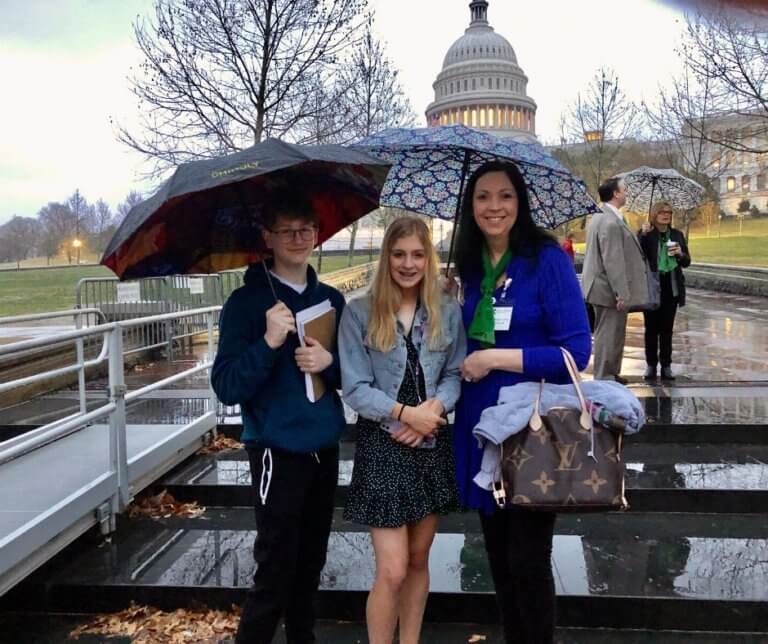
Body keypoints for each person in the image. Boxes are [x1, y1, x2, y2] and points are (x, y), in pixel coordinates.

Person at [451, 161, 591, 644]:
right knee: (498, 557)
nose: (494, 207)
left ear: (520, 201)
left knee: (527, 560)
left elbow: (576, 353)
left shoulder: (545, 259)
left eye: (505, 196)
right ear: (470, 207)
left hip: (531, 429)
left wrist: (495, 358)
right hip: (481, 425)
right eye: (483, 197)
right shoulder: (468, 267)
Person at [211, 192, 346, 644]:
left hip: (324, 448)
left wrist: (329, 362)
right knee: (275, 569)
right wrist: (268, 343)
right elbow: (227, 385)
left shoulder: (331, 300)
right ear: (267, 237)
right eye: (286, 230)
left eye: (305, 228)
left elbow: (354, 377)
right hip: (276, 451)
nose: (297, 238)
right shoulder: (246, 304)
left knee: (311, 566)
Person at [339, 216, 466, 644]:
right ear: (386, 257)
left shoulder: (447, 310)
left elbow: (454, 374)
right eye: (399, 254)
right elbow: (354, 387)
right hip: (384, 445)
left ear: (428, 257)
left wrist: (433, 408)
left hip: (430, 443)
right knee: (391, 569)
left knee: (417, 560)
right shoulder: (359, 311)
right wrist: (403, 414)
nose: (408, 264)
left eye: (417, 254)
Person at [582, 176, 648, 384]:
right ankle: (604, 376)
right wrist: (621, 292)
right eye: (624, 190)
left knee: (613, 332)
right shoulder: (609, 221)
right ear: (615, 194)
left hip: (600, 285)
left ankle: (610, 373)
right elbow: (613, 259)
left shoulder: (602, 217)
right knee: (608, 333)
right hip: (606, 287)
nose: (626, 193)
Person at [638, 201, 691, 381]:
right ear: (654, 214)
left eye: (669, 212)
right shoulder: (647, 234)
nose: (666, 215)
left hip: (671, 286)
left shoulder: (677, 234)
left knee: (667, 329)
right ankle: (651, 365)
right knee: (651, 328)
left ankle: (666, 365)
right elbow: (638, 255)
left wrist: (680, 254)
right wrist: (643, 235)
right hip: (652, 285)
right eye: (662, 212)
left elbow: (686, 262)